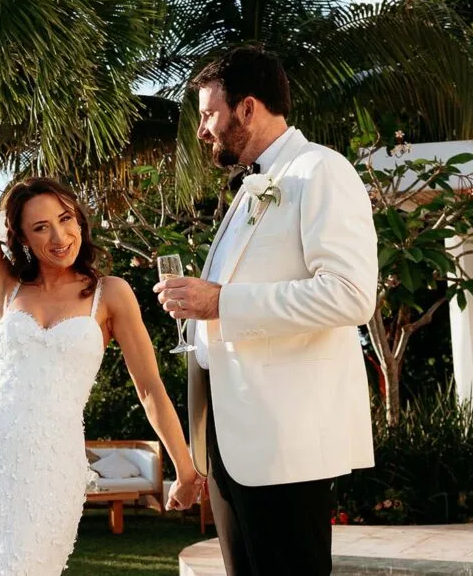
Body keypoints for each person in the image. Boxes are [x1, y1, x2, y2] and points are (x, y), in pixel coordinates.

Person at [0, 70, 202, 576]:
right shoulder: (5, 287)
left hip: (51, 466)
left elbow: (149, 390)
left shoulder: (111, 294)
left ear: (79, 218)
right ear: (22, 238)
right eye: (41, 228)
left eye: (66, 219)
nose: (59, 236)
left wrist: (185, 469)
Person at [154, 46, 378, 575]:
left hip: (284, 442)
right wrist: (201, 307)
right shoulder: (254, 185)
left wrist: (220, 301)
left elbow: (350, 294)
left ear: (248, 108)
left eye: (209, 114)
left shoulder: (319, 170)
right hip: (235, 443)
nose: (202, 129)